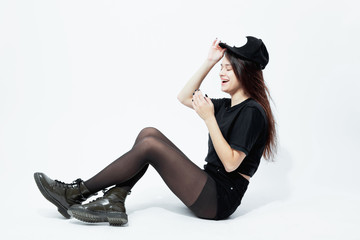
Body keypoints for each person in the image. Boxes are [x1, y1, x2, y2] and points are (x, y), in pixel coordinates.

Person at [34, 36, 277, 226]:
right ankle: (115, 200)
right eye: (221, 68)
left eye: (227, 68)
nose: (221, 73)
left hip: (219, 199)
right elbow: (184, 97)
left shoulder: (252, 111)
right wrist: (209, 61)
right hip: (209, 184)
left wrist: (209, 119)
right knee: (148, 133)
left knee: (150, 147)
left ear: (244, 70)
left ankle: (75, 193)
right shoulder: (227, 105)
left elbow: (232, 164)